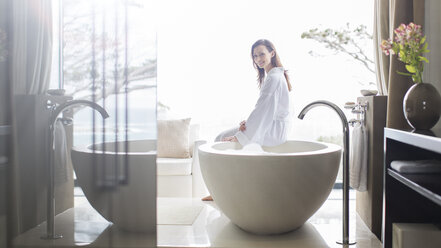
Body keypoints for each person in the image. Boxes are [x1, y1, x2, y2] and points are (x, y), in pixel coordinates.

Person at [202, 39, 292, 201]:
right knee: (222, 138)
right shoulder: (274, 75)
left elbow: (263, 110)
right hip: (271, 126)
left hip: (272, 131)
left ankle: (220, 193)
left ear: (272, 53)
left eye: (262, 54)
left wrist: (240, 135)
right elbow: (264, 110)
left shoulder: (274, 78)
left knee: (220, 140)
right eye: (255, 56)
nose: (258, 59)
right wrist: (248, 124)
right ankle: (221, 192)